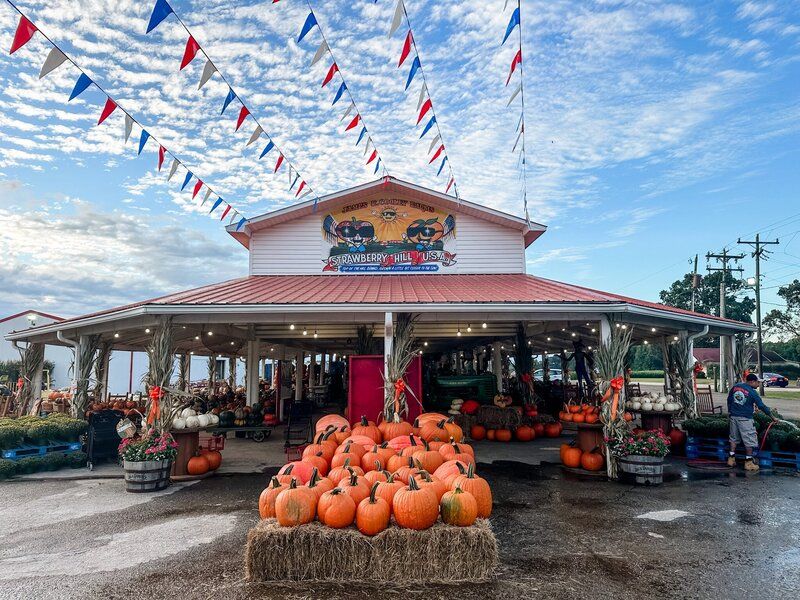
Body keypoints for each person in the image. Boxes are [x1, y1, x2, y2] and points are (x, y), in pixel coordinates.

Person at [726, 373, 777, 471]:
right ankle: (748, 463)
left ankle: (731, 459)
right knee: (749, 440)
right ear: (752, 381)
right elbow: (762, 406)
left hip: (733, 417)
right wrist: (772, 417)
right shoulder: (752, 392)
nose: (758, 385)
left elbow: (729, 400)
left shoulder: (735, 387)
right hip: (745, 419)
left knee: (733, 438)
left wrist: (730, 412)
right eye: (757, 382)